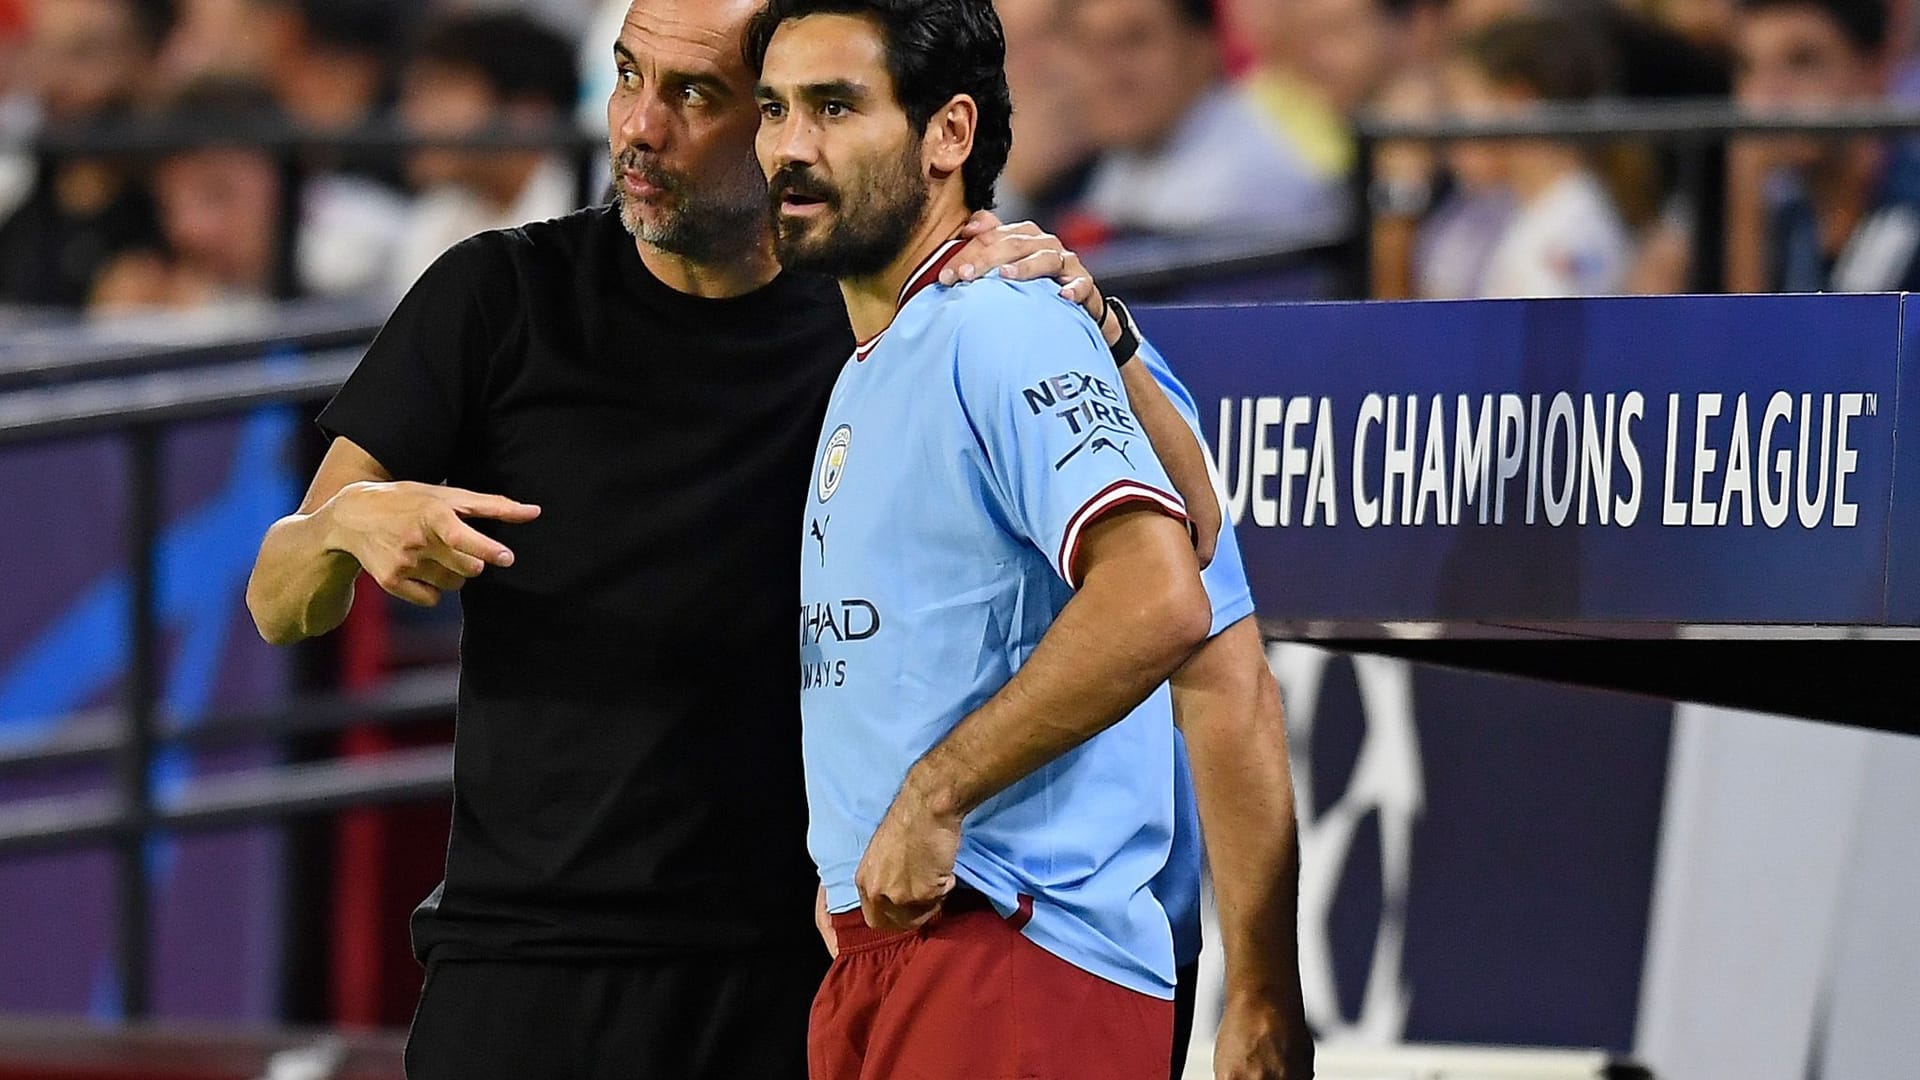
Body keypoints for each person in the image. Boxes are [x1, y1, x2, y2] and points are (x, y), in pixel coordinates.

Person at [243, 0, 1225, 1074]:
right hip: (523, 971)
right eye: (625, 77)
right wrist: (339, 529)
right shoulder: (499, 295)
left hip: (793, 971)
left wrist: (1107, 332)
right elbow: (278, 601)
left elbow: (1193, 540)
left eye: (697, 95)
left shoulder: (880, 319)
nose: (637, 126)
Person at [749, 0, 1308, 1076]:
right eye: (775, 110)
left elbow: (1187, 632)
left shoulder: (1009, 321)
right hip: (901, 949)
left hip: (1015, 950)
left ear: (949, 135)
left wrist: (1261, 995)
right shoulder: (884, 357)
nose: (791, 146)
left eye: (834, 107)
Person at [1059, 0, 1346, 252]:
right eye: (1089, 46)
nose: (1108, 74)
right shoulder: (1126, 157)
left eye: (1135, 41)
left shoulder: (1245, 176)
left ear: (1203, 47)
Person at [1425, 13, 1634, 298]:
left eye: (1460, 105)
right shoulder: (1528, 214)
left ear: (1517, 101)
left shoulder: (1572, 230)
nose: (1450, 131)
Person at [1725, 0, 1920, 291]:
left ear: (1875, 68)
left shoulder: (1909, 209)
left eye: (1802, 61)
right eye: (1748, 66)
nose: (1767, 97)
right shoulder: (1788, 221)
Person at [387, 11, 585, 294]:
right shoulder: (436, 219)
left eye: (442, 90)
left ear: (528, 111)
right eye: (415, 95)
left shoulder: (590, 216)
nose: (413, 118)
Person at [0, 0, 172, 308]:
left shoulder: (176, 221)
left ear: (148, 59)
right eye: (44, 53)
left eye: (84, 54)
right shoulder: (21, 205)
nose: (54, 79)